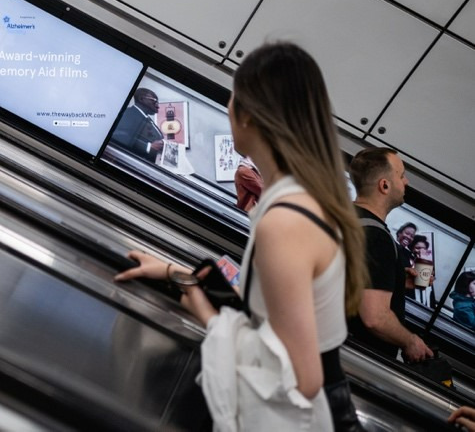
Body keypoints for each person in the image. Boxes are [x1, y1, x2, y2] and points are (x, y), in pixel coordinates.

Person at [116, 42, 366, 430]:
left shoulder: (284, 222)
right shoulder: (304, 198)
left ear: (249, 115)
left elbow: (303, 378)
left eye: (233, 99)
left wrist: (208, 316)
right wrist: (173, 272)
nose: (229, 108)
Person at [347, 147, 434, 362]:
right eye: (401, 175)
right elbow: (375, 317)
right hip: (358, 360)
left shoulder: (345, 217)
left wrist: (395, 280)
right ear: (384, 185)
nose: (407, 182)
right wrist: (410, 341)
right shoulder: (377, 237)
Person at [111, 87, 163, 162]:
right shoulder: (128, 113)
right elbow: (118, 136)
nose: (158, 106)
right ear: (141, 99)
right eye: (154, 101)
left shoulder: (144, 117)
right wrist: (148, 147)